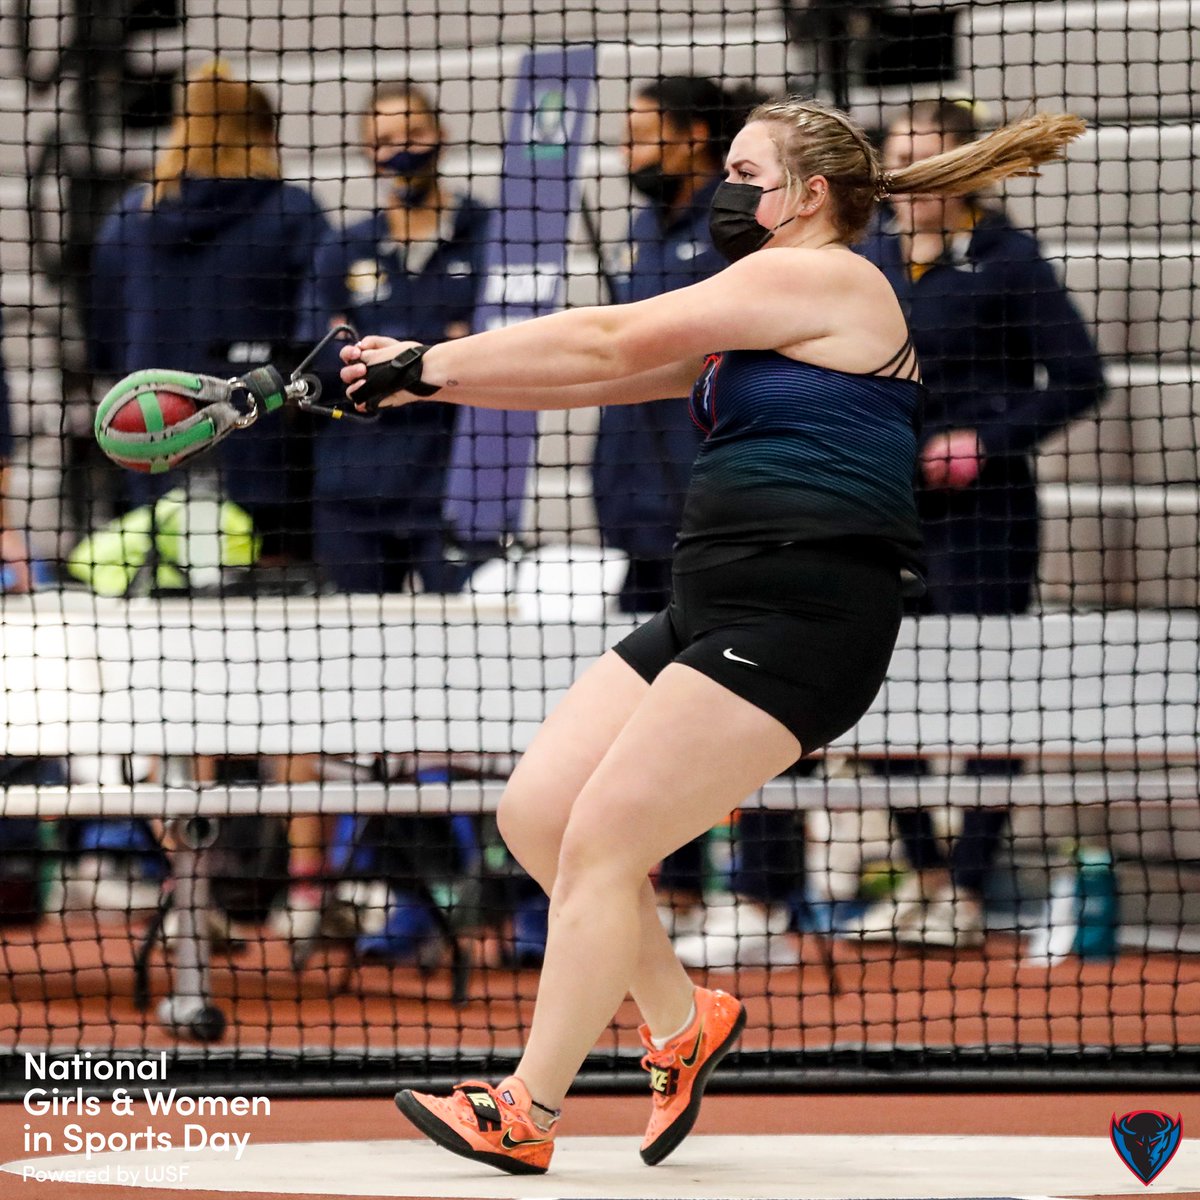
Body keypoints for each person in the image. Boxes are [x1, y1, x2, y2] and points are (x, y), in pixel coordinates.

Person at [340, 98, 1085, 1174]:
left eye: (747, 170)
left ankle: (526, 1110)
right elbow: (601, 373)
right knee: (538, 816)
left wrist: (422, 362)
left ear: (811, 194)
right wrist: (410, 381)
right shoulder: (759, 308)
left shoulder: (827, 276)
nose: (729, 189)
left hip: (803, 615)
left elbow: (606, 333)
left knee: (601, 844)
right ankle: (682, 1019)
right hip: (713, 604)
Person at [845, 97, 1106, 948]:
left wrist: (984, 441)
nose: (910, 174)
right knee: (877, 693)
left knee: (989, 698)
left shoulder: (1009, 258)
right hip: (881, 512)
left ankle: (966, 886)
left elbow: (1077, 377)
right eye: (899, 157)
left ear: (967, 170)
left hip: (983, 520)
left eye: (929, 157)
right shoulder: (864, 259)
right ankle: (922, 872)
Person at [592, 75, 759, 942]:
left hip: (717, 523)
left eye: (643, 133)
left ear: (695, 137)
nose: (628, 152)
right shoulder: (641, 231)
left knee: (737, 714)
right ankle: (683, 892)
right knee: (647, 729)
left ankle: (764, 894)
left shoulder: (735, 240)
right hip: (640, 521)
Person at [89, 62, 330, 562]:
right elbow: (315, 341)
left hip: (153, 457)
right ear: (264, 134)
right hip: (267, 472)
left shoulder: (129, 220)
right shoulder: (291, 213)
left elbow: (104, 342)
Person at [298, 79, 492, 595]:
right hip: (355, 488)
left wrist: (383, 349)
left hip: (457, 487)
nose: (400, 151)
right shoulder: (343, 248)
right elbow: (319, 360)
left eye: (413, 133)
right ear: (368, 153)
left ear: (441, 135)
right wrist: (444, 343)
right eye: (384, 141)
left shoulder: (494, 236)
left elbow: (503, 348)